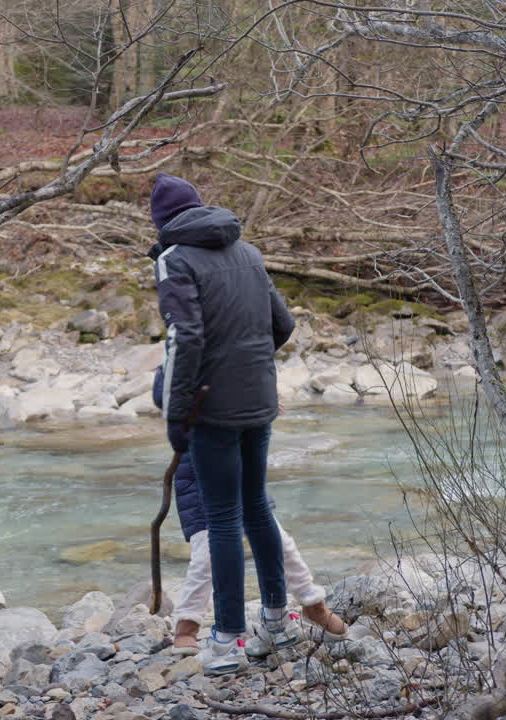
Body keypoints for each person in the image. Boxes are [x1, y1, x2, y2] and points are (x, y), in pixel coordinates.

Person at [147, 171, 296, 675]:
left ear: (162, 222)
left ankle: (227, 639)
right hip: (259, 398)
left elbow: (184, 339)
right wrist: (247, 365)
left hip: (211, 408)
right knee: (256, 506)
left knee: (224, 518)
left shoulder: (174, 259)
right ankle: (276, 622)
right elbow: (282, 325)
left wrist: (176, 413)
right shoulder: (248, 252)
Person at [151, 366, 349, 660]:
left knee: (278, 541)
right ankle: (187, 626)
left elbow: (261, 365)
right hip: (200, 469)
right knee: (207, 553)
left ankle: (312, 602)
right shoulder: (183, 350)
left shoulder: (242, 349)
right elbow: (163, 393)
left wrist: (262, 402)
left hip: (243, 460)